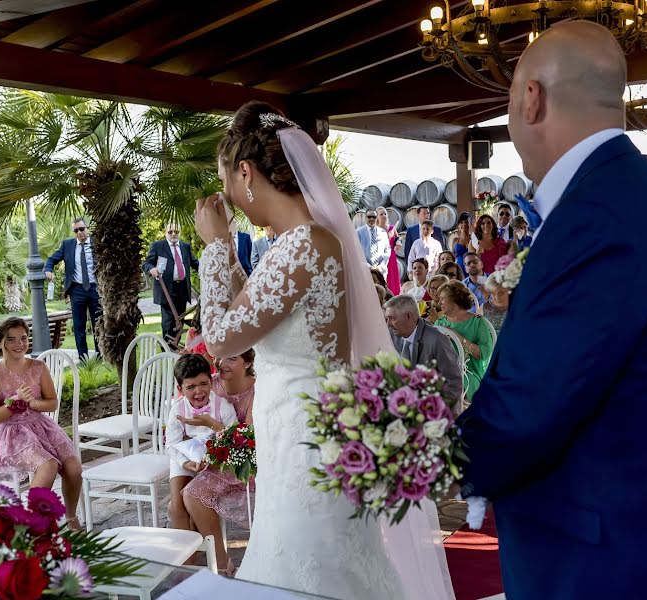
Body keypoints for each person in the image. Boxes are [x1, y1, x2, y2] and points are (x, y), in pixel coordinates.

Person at [457, 22, 647, 600]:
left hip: (604, 560)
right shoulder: (637, 192)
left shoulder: (596, 214)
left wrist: (403, 450)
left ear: (531, 99)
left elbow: (529, 407)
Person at [194, 100, 454, 599]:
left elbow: (224, 338)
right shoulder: (304, 242)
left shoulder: (303, 245)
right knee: (320, 559)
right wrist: (227, 251)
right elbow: (255, 308)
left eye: (229, 181)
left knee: (309, 563)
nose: (229, 196)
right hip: (299, 428)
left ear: (246, 173)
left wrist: (213, 246)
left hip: (302, 438)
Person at [0, 317, 83, 529]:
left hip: (40, 426)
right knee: (48, 465)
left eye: (24, 338)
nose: (19, 344)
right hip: (9, 433)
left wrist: (33, 403)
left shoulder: (38, 367)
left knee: (73, 467)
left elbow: (52, 403)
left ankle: (71, 519)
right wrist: (14, 401)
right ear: (0, 342)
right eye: (12, 339)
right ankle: (31, 525)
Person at [183, 350, 256, 576]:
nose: (221, 363)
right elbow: (180, 415)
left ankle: (219, 568)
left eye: (232, 358)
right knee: (188, 496)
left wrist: (214, 425)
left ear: (248, 363)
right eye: (220, 356)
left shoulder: (257, 391)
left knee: (190, 496)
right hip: (214, 460)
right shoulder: (210, 385)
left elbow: (248, 442)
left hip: (245, 463)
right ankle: (222, 565)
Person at [165, 354, 236, 533]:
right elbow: (172, 445)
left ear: (211, 382)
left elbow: (234, 439)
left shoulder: (222, 407)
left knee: (196, 502)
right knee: (177, 507)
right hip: (184, 455)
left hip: (215, 457)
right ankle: (186, 557)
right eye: (191, 387)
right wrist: (185, 463)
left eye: (204, 383)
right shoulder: (178, 410)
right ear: (180, 388)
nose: (199, 391)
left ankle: (204, 549)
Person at [384, 294, 463, 401]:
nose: (388, 324)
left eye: (391, 318)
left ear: (408, 316)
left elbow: (453, 385)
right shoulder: (391, 334)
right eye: (387, 319)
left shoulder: (437, 339)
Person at [44, 217, 100, 361]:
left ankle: (101, 356)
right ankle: (83, 358)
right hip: (77, 290)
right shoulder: (67, 245)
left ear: (86, 228)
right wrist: (48, 270)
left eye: (82, 229)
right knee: (79, 325)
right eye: (76, 230)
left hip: (95, 289)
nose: (80, 232)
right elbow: (51, 259)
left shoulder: (97, 242)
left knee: (98, 324)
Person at [434, 280, 493, 399]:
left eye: (443, 298)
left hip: (469, 373)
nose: (439, 302)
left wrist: (457, 337)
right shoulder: (439, 323)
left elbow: (484, 355)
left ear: (455, 300)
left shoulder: (477, 322)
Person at [143, 222, 200, 344]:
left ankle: (175, 349)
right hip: (166, 290)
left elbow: (195, 263)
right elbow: (146, 263)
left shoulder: (185, 247)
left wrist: (209, 270)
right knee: (168, 323)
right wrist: (151, 269)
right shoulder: (158, 246)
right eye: (170, 232)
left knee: (179, 321)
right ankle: (167, 350)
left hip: (182, 289)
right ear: (165, 232)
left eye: (176, 232)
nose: (173, 234)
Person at [356, 209, 391, 276]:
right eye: (369, 217)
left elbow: (387, 250)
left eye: (374, 217)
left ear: (376, 218)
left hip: (380, 271)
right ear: (365, 217)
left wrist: (381, 266)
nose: (371, 219)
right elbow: (356, 253)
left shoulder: (383, 232)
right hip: (365, 271)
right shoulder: (358, 232)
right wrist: (369, 267)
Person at [377, 206, 401, 295]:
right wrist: (388, 237)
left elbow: (398, 238)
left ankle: (395, 295)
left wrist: (398, 243)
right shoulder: (376, 230)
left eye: (385, 214)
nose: (384, 216)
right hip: (382, 256)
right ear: (377, 217)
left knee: (393, 276)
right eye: (381, 214)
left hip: (392, 255)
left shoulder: (391, 227)